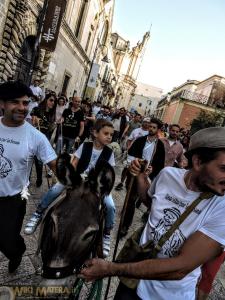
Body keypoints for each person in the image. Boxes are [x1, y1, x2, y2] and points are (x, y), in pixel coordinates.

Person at [79, 126, 225, 300]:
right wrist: (140, 176)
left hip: (166, 296)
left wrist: (110, 269)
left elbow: (180, 268)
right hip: (131, 283)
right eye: (223, 168)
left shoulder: (221, 206)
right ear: (198, 162)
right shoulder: (167, 175)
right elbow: (151, 202)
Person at [24, 119, 116, 257]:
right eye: (106, 133)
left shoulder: (109, 152)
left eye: (111, 134)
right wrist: (71, 176)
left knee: (110, 205)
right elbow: (74, 162)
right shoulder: (85, 146)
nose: (109, 137)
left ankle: (107, 232)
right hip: (79, 178)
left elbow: (109, 171)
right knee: (56, 188)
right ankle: (39, 212)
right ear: (95, 133)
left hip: (97, 184)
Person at [0, 81, 57, 273]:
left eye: (25, 103)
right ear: (2, 104)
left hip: (13, 200)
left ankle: (17, 252)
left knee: (8, 241)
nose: (22, 108)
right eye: (15, 102)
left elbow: (55, 165)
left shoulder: (36, 137)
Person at [120, 118, 165, 237]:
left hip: (146, 177)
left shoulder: (160, 145)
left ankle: (126, 221)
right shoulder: (140, 140)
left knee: (133, 199)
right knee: (130, 198)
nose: (151, 129)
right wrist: (134, 163)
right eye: (150, 126)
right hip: (134, 172)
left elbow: (160, 164)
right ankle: (125, 225)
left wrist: (152, 169)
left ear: (158, 130)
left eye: (154, 127)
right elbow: (130, 155)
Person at [115, 117, 150, 191]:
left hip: (141, 155)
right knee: (126, 168)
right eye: (145, 122)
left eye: (148, 122)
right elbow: (129, 140)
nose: (146, 124)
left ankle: (131, 186)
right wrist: (128, 148)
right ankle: (121, 182)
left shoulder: (149, 133)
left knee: (137, 171)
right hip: (132, 153)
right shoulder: (136, 130)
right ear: (142, 122)